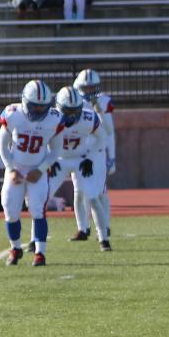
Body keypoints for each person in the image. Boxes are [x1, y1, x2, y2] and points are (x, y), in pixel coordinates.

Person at [0, 80, 64, 266]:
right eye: (34, 106)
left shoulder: (54, 118)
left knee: (37, 210)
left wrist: (40, 170)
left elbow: (56, 151)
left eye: (42, 106)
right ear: (25, 101)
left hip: (38, 169)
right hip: (16, 167)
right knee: (10, 209)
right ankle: (15, 248)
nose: (38, 110)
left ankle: (40, 253)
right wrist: (11, 169)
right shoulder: (13, 114)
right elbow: (2, 145)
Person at [47, 86, 108, 251]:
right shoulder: (50, 118)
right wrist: (49, 161)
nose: (72, 115)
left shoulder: (88, 118)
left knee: (93, 197)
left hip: (81, 160)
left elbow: (102, 139)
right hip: (60, 160)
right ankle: (36, 240)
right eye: (68, 111)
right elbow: (42, 141)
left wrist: (89, 157)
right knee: (41, 200)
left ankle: (104, 238)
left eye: (75, 111)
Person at [70, 68, 115, 248]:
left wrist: (112, 156)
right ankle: (82, 227)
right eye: (85, 88)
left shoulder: (103, 101)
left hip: (97, 151)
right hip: (79, 151)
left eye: (92, 88)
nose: (89, 91)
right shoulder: (73, 101)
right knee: (79, 191)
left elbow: (109, 131)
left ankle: (104, 226)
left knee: (100, 192)